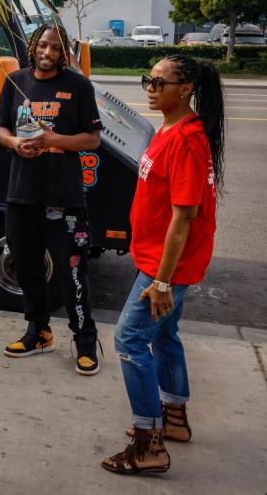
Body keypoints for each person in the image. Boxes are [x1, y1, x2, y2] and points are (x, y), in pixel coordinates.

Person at [101, 56, 224, 475]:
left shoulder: (186, 139)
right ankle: (174, 418)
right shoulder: (171, 128)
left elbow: (184, 217)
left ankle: (148, 442)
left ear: (186, 87)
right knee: (165, 334)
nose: (149, 88)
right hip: (157, 259)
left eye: (158, 82)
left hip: (165, 267)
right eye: (146, 80)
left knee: (129, 341)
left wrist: (162, 281)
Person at [0, 23, 103, 375]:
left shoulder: (79, 86)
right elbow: (0, 127)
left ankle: (85, 342)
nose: (47, 52)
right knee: (27, 268)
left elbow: (92, 140)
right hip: (21, 193)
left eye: (54, 48)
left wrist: (55, 138)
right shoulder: (17, 82)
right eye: (42, 45)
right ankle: (38, 332)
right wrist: (13, 143)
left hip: (63, 198)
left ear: (64, 53)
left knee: (72, 275)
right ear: (33, 47)